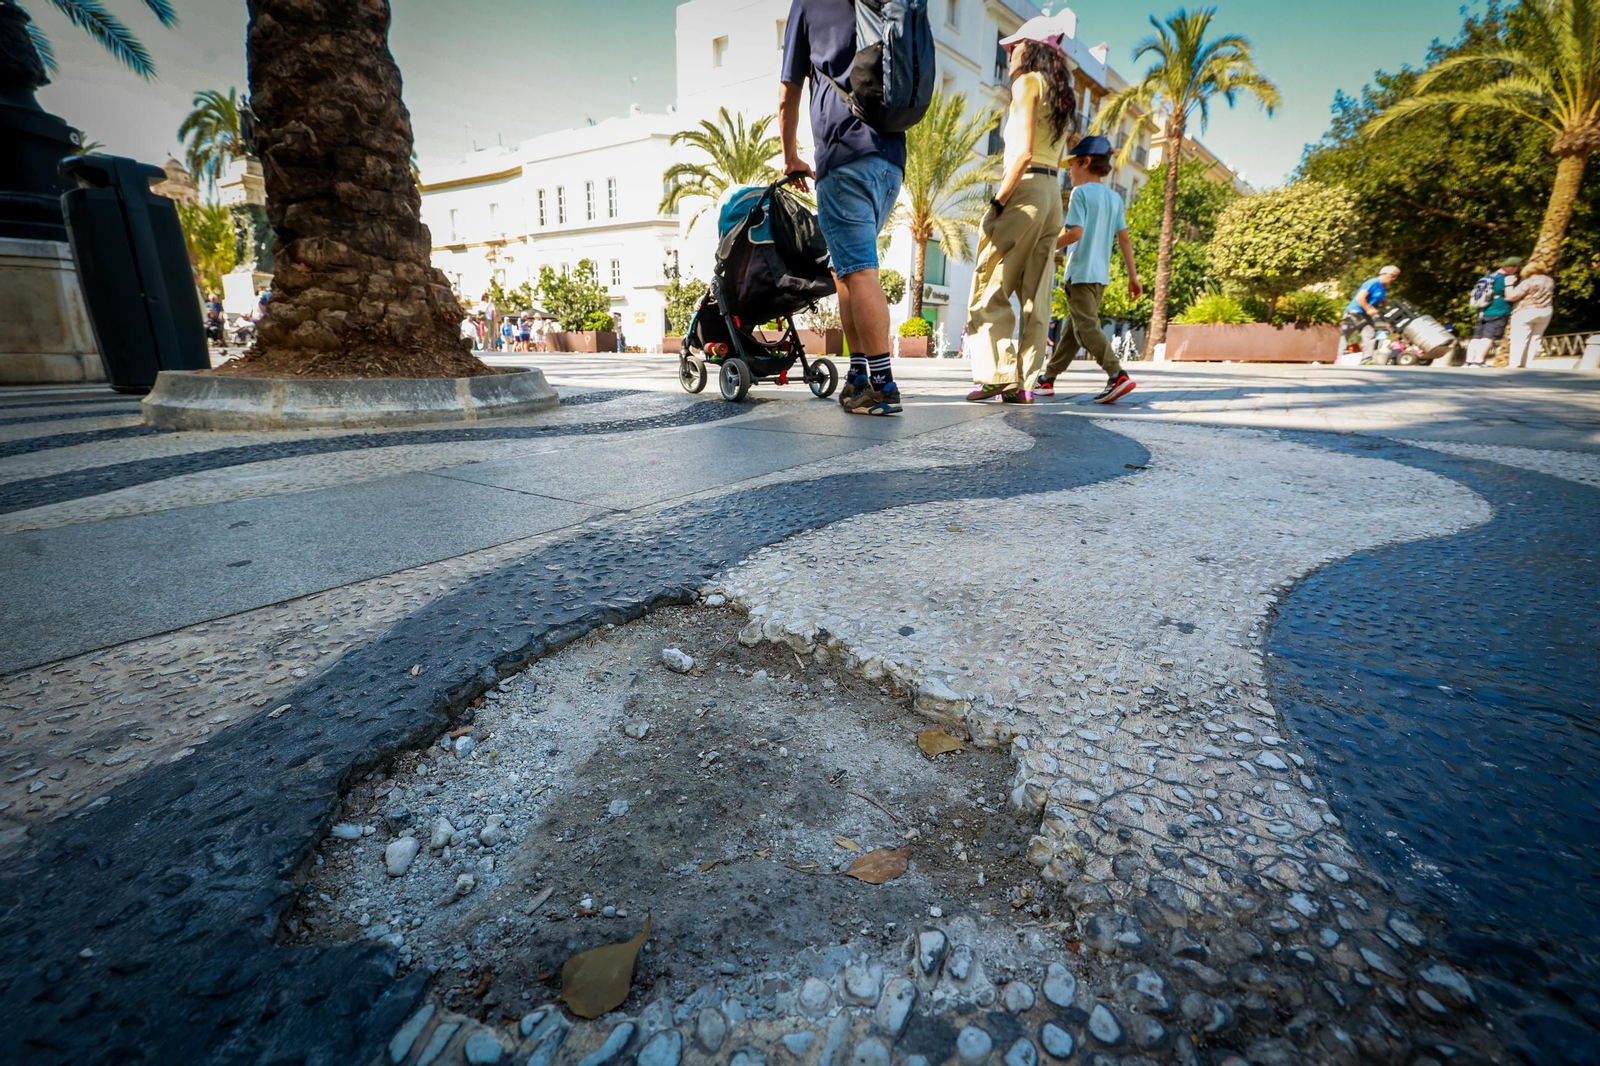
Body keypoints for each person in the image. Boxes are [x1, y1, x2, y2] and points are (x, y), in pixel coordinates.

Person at [780, 0, 907, 416]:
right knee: (845, 271)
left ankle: (883, 386)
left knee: (860, 272)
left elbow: (788, 95)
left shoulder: (808, 4)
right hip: (891, 160)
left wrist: (791, 156)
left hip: (844, 155)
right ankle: (858, 373)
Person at [962, 20, 1076, 405]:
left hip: (1025, 188)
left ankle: (996, 375)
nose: (1008, 54)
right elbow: (1053, 156)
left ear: (1031, 50)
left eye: (1014, 48)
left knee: (989, 283)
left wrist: (998, 201)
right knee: (1036, 293)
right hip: (1051, 195)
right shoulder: (1061, 95)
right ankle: (1026, 382)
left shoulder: (1027, 83)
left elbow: (1024, 152)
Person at [1034, 134, 1142, 403]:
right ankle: (1047, 379)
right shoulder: (1115, 198)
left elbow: (1075, 234)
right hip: (1100, 278)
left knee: (1087, 327)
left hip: (1080, 272)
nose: (1069, 172)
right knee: (1073, 330)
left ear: (1086, 161)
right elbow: (1125, 238)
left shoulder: (1080, 193)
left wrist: (1043, 247)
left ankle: (1117, 375)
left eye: (1072, 165)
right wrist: (1133, 277)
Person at [1465, 257, 1521, 366]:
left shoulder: (1487, 276)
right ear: (1511, 267)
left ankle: (1468, 361)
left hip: (1482, 310)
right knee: (1488, 337)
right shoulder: (1505, 279)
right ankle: (1478, 361)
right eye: (1516, 268)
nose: (1516, 270)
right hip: (1497, 311)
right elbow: (1509, 295)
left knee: (1476, 337)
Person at [1342, 265, 1400, 362]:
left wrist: (1389, 309)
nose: (1394, 279)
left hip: (1366, 316)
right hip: (1354, 313)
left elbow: (1385, 302)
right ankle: (1336, 357)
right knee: (1343, 335)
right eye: (1392, 276)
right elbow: (1360, 298)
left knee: (1370, 335)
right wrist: (1369, 309)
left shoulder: (1383, 288)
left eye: (1395, 276)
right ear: (1384, 274)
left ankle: (1367, 360)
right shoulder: (1372, 282)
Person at [1506, 268, 1555, 369]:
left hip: (1526, 311)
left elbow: (1512, 296)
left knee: (1519, 339)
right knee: (1535, 338)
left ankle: (1515, 364)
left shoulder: (1528, 282)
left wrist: (1509, 285)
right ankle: (1527, 363)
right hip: (1545, 311)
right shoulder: (1550, 281)